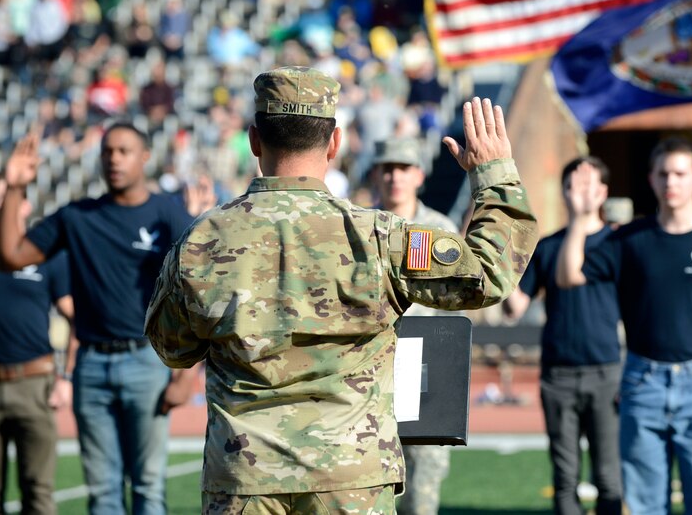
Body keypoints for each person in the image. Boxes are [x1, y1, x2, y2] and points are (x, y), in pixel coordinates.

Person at [144, 66, 538, 514]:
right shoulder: (381, 236)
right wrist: (494, 174)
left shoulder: (204, 239)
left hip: (244, 478)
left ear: (255, 140)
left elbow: (171, 348)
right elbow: (490, 272)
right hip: (351, 481)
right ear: (335, 143)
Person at [0, 123, 215, 515]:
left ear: (145, 157)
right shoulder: (77, 216)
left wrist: (185, 377)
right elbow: (10, 255)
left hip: (147, 361)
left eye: (124, 151)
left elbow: (197, 296)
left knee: (148, 487)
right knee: (102, 492)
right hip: (91, 366)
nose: (114, 159)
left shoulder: (168, 213)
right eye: (108, 151)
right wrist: (14, 187)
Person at [556, 137, 692, 514]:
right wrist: (581, 219)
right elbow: (568, 276)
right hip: (642, 381)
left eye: (680, 173)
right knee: (646, 503)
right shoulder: (630, 238)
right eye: (663, 174)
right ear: (651, 179)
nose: (671, 182)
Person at [509, 156, 622, 515]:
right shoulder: (549, 245)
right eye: (574, 185)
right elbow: (514, 308)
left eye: (589, 186)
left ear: (603, 192)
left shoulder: (617, 243)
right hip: (558, 374)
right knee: (565, 477)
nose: (581, 194)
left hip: (606, 371)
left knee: (609, 477)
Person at [0, 173, 73, 515]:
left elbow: (76, 319)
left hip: (35, 385)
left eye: (5, 198)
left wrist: (64, 378)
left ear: (24, 205)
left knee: (38, 495)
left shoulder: (46, 256)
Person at [369, 137, 456, 515]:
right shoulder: (359, 225)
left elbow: (456, 301)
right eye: (387, 169)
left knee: (423, 479)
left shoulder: (437, 228)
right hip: (369, 366)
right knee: (369, 477)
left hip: (424, 364)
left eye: (403, 169)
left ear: (419, 175)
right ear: (376, 175)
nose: (395, 177)